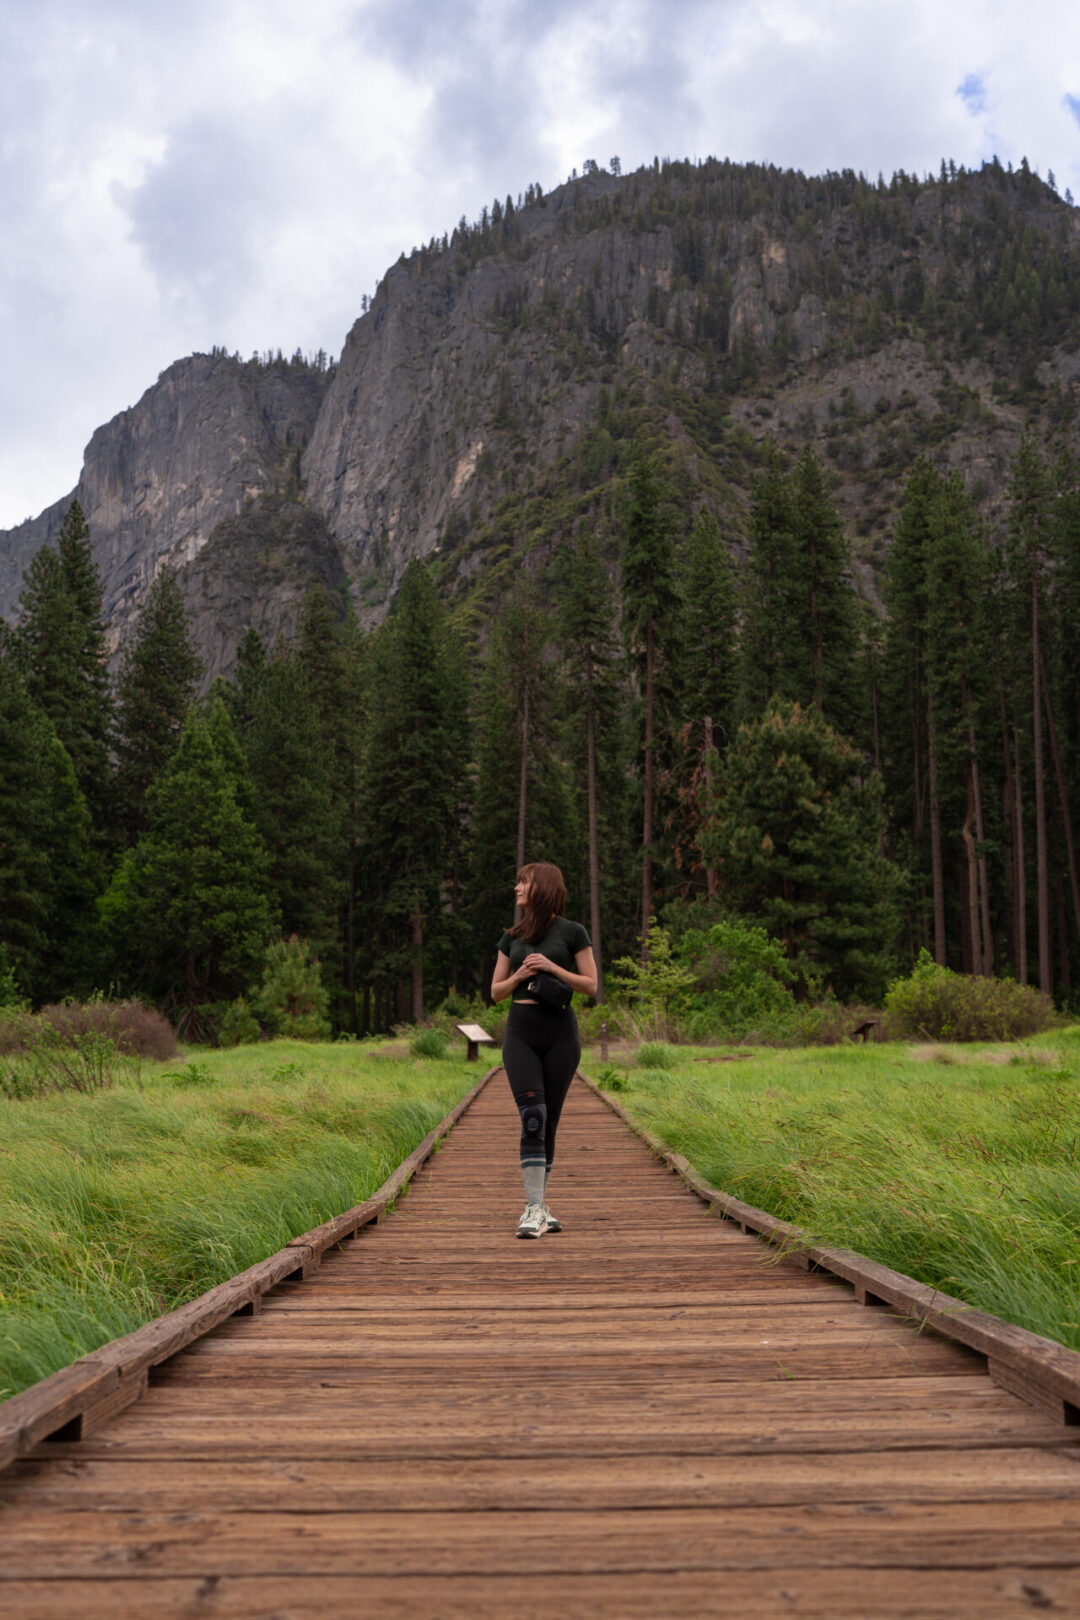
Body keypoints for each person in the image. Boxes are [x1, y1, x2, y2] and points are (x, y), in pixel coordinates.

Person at [491, 861, 598, 1238]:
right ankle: (533, 1208)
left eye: (524, 882)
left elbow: (590, 985)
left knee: (548, 1121)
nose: (517, 887)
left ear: (544, 887)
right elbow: (496, 992)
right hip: (520, 1032)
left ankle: (541, 1204)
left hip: (561, 1036)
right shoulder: (512, 937)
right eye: (518, 881)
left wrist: (553, 967)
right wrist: (520, 975)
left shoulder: (572, 932)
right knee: (533, 1115)